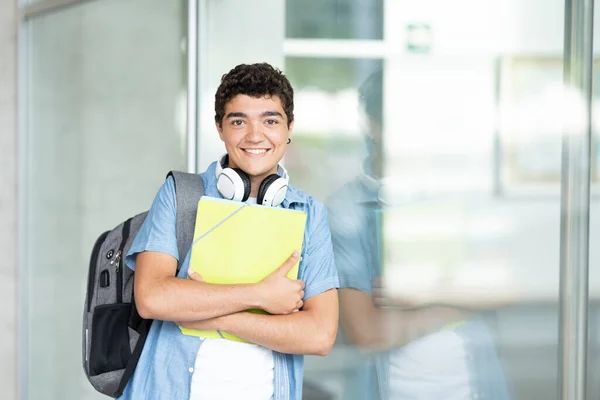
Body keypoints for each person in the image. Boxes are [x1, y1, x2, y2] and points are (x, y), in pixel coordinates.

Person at [119, 63, 340, 400]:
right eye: (239, 121)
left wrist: (214, 317)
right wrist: (259, 296)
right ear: (220, 128)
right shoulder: (181, 194)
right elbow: (152, 298)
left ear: (289, 127)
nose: (255, 136)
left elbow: (319, 335)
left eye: (270, 120)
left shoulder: (309, 214)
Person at [326, 69, 512, 400]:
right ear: (373, 124)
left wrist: (417, 294)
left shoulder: (461, 192)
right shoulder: (347, 207)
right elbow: (366, 331)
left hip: (474, 386)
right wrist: (457, 297)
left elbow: (503, 288)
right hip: (393, 388)